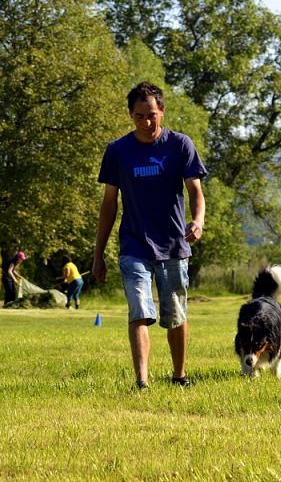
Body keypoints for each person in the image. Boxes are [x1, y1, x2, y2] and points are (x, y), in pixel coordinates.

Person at [93, 81, 206, 390]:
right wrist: (98, 253)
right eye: (140, 116)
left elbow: (195, 191)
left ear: (162, 112)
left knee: (175, 315)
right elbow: (108, 204)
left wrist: (197, 221)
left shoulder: (180, 145)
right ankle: (142, 382)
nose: (146, 122)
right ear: (131, 115)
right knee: (140, 311)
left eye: (152, 115)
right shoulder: (118, 151)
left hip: (173, 245)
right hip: (134, 244)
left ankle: (179, 375)